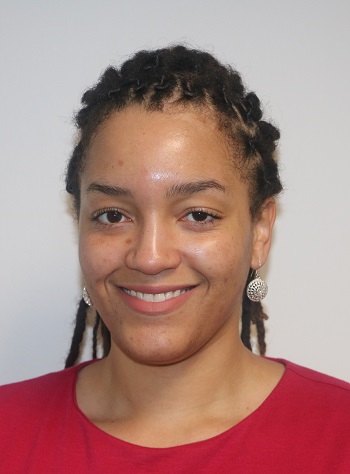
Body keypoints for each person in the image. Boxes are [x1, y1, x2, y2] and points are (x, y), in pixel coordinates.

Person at [0, 45, 349, 473]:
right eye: (113, 215)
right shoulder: (7, 430)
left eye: (198, 215)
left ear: (260, 230)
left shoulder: (338, 435)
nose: (149, 257)